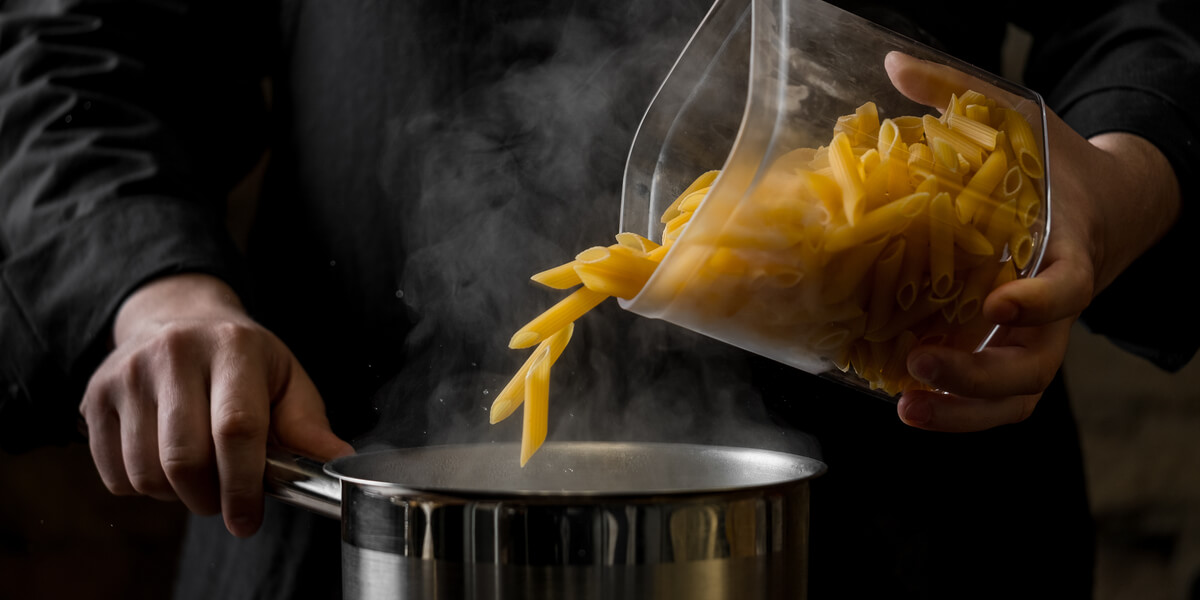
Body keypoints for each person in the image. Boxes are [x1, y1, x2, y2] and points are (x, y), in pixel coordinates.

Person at [0, 0, 1196, 598]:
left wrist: (1117, 183)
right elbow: (83, 41)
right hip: (355, 519)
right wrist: (158, 297)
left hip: (903, 518)